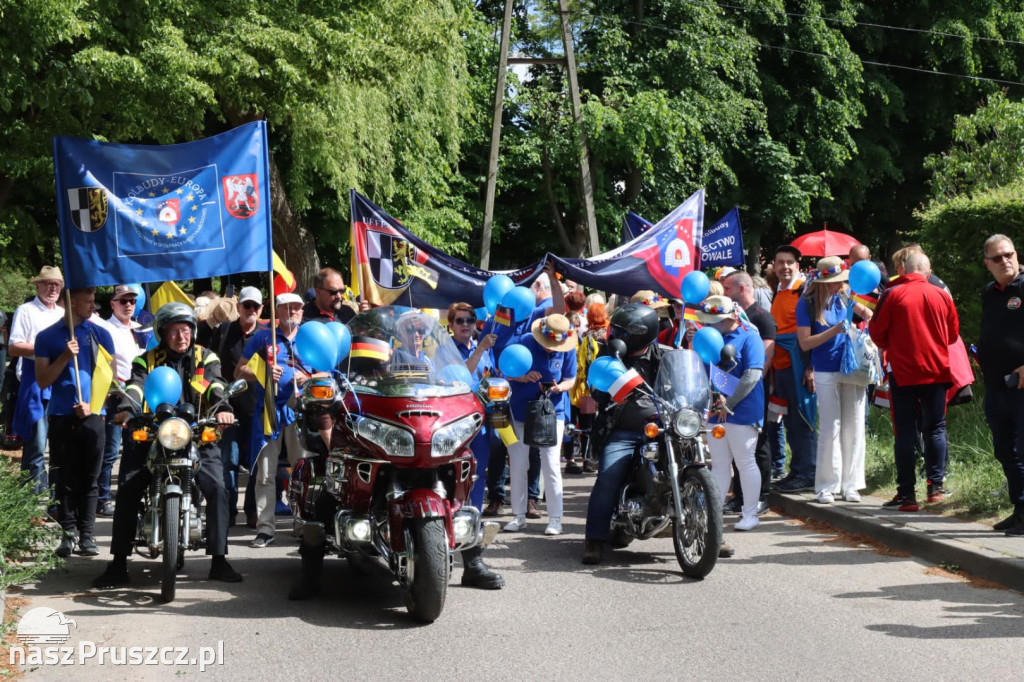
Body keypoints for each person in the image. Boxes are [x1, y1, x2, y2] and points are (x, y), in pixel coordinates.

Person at [93, 303, 241, 587]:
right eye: (174, 330)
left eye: (185, 330)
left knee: (218, 488)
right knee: (127, 489)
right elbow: (135, 386)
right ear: (162, 332)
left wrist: (223, 406)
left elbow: (216, 384)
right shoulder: (146, 360)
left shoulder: (205, 357)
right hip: (153, 433)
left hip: (196, 433)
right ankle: (118, 564)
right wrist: (126, 408)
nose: (181, 336)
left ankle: (219, 560)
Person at [869, 253, 959, 512]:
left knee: (905, 432)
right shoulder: (941, 294)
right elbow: (953, 334)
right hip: (937, 371)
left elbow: (876, 332)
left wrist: (893, 346)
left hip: (903, 373)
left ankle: (907, 494)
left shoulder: (892, 294)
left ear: (904, 270)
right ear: (928, 271)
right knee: (936, 428)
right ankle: (936, 488)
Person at [35, 288, 115, 557]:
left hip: (93, 416)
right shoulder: (46, 337)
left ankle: (87, 535)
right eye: (89, 301)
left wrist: (92, 405)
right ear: (71, 302)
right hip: (61, 417)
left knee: (91, 478)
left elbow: (109, 378)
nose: (94, 305)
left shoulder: (100, 334)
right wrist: (64, 357)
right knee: (65, 479)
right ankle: (67, 535)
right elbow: (43, 379)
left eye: (94, 301)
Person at [581, 303, 661, 564]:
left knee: (696, 459)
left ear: (642, 333)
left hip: (662, 430)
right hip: (623, 431)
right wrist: (609, 393)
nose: (615, 334)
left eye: (622, 331)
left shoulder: (663, 356)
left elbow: (684, 383)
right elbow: (597, 392)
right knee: (608, 476)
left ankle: (709, 529)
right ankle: (594, 538)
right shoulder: (610, 356)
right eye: (615, 329)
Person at [236, 293, 312, 548]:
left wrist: (309, 378)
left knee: (302, 472)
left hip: (301, 412)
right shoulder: (262, 337)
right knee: (265, 474)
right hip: (268, 410)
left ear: (302, 311)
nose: (292, 312)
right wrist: (264, 372)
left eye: (297, 308)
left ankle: (303, 524)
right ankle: (266, 529)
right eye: (286, 307)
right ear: (277, 311)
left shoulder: (310, 337)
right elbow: (240, 370)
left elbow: (329, 370)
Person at [796, 258, 868, 504]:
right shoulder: (806, 303)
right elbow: (805, 343)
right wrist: (834, 330)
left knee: (854, 426)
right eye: (833, 282)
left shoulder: (844, 295)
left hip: (852, 367)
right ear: (821, 282)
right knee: (831, 427)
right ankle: (827, 486)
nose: (838, 286)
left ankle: (851, 485)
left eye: (840, 281)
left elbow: (867, 313)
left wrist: (864, 323)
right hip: (825, 368)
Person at [502, 313, 576, 536]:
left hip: (552, 413)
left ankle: (555, 519)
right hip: (520, 411)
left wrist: (559, 388)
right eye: (549, 344)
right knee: (518, 462)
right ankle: (518, 516)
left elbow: (570, 379)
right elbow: (505, 371)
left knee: (551, 464)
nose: (552, 349)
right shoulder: (524, 341)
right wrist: (521, 377)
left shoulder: (567, 348)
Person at [700, 296, 765, 532]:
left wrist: (730, 403)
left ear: (733, 317)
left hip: (743, 409)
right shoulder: (711, 337)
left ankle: (750, 514)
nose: (713, 324)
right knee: (718, 464)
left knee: (745, 461)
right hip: (717, 409)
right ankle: (713, 512)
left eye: (718, 320)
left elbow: (752, 375)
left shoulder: (751, 336)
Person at [975, 235, 1024, 535]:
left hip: (1021, 386)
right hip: (996, 386)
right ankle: (1019, 509)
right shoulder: (989, 293)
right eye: (997, 258)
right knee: (1005, 451)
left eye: (1009, 255)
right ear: (987, 264)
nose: (1005, 261)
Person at [208, 286, 265, 527]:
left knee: (255, 463)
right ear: (238, 307)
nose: (250, 310)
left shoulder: (266, 335)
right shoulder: (223, 331)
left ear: (261, 309)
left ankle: (251, 510)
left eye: (255, 306)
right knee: (228, 462)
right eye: (246, 305)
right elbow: (210, 364)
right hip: (228, 408)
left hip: (257, 409)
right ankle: (229, 511)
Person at [722, 271, 776, 514]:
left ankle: (762, 495)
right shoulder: (730, 318)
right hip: (732, 391)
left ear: (741, 289)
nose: (724, 294)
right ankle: (740, 495)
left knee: (758, 445)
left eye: (727, 289)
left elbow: (763, 360)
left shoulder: (762, 319)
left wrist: (746, 391)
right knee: (734, 447)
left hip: (752, 391)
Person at [9, 266, 65, 494]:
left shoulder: (63, 314)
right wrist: (46, 349)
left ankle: (54, 497)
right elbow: (13, 347)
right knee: (37, 443)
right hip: (35, 381)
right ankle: (31, 500)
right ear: (37, 286)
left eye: (57, 285)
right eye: (48, 284)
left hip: (61, 384)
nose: (53, 288)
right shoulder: (26, 310)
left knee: (60, 445)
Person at [769, 246, 818, 492]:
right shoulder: (778, 291)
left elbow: (814, 330)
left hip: (799, 362)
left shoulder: (804, 291)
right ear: (774, 266)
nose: (785, 267)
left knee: (803, 418)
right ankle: (796, 470)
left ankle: (808, 472)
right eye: (780, 263)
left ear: (798, 265)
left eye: (789, 262)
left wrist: (811, 367)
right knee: (788, 420)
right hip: (782, 364)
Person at [95, 285, 143, 518]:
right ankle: (103, 498)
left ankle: (128, 493)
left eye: (132, 301)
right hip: (116, 395)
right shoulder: (104, 327)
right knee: (111, 450)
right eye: (123, 301)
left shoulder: (141, 328)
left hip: (139, 396)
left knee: (136, 448)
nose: (128, 305)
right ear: (112, 304)